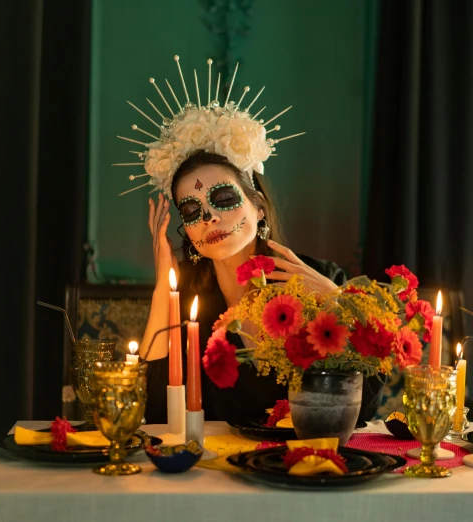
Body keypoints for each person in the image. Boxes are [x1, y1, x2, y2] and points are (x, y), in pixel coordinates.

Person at [116, 57, 345, 423]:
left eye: (223, 199)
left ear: (258, 208)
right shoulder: (190, 300)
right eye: (191, 212)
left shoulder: (318, 276)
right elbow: (153, 412)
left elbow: (366, 399)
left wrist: (335, 299)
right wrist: (165, 285)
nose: (209, 217)